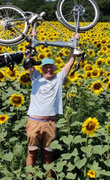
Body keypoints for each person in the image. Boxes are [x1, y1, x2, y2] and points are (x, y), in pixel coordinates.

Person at [24, 29, 80, 177]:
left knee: (49, 155)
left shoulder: (58, 79)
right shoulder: (36, 77)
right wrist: (33, 37)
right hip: (34, 121)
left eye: (51, 66)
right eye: (46, 67)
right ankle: (30, 177)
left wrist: (75, 42)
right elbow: (29, 60)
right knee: (32, 152)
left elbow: (71, 61)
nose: (48, 69)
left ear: (54, 68)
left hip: (50, 122)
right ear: (41, 69)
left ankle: (49, 177)